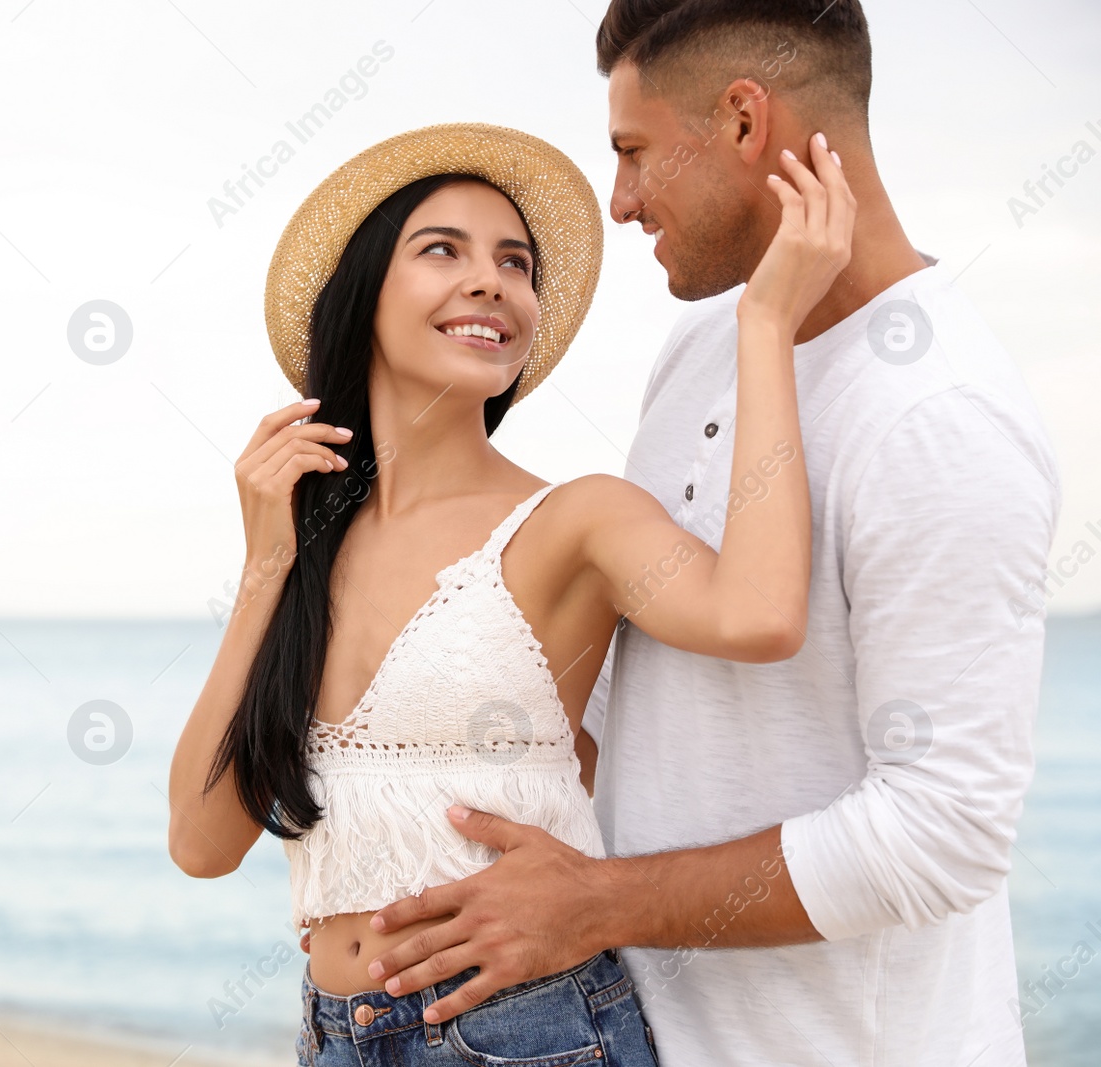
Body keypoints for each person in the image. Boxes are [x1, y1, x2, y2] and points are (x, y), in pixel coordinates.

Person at [360, 5, 1062, 1067]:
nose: (620, 201)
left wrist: (593, 902)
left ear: (742, 121)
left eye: (634, 153)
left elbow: (941, 835)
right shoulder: (704, 343)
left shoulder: (939, 417)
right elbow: (625, 703)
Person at [168, 121, 853, 1065]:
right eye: (442, 249)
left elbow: (761, 614)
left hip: (527, 1030)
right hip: (334, 1037)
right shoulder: (307, 549)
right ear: (363, 293)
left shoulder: (575, 521)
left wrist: (765, 323)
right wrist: (263, 570)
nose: (493, 280)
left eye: (516, 262)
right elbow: (202, 843)